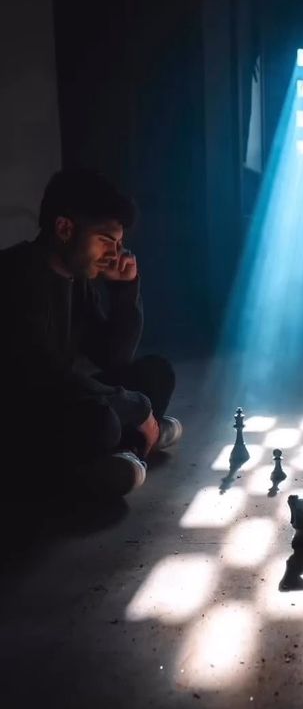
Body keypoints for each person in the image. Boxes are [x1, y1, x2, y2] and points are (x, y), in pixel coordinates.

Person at [0, 168, 182, 499]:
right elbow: (46, 376)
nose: (115, 254)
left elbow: (113, 356)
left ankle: (120, 456)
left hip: (60, 395)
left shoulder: (77, 280)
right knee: (99, 422)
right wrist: (137, 408)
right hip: (22, 410)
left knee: (156, 373)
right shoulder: (16, 275)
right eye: (105, 242)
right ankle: (125, 451)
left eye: (119, 244)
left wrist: (126, 291)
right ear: (65, 228)